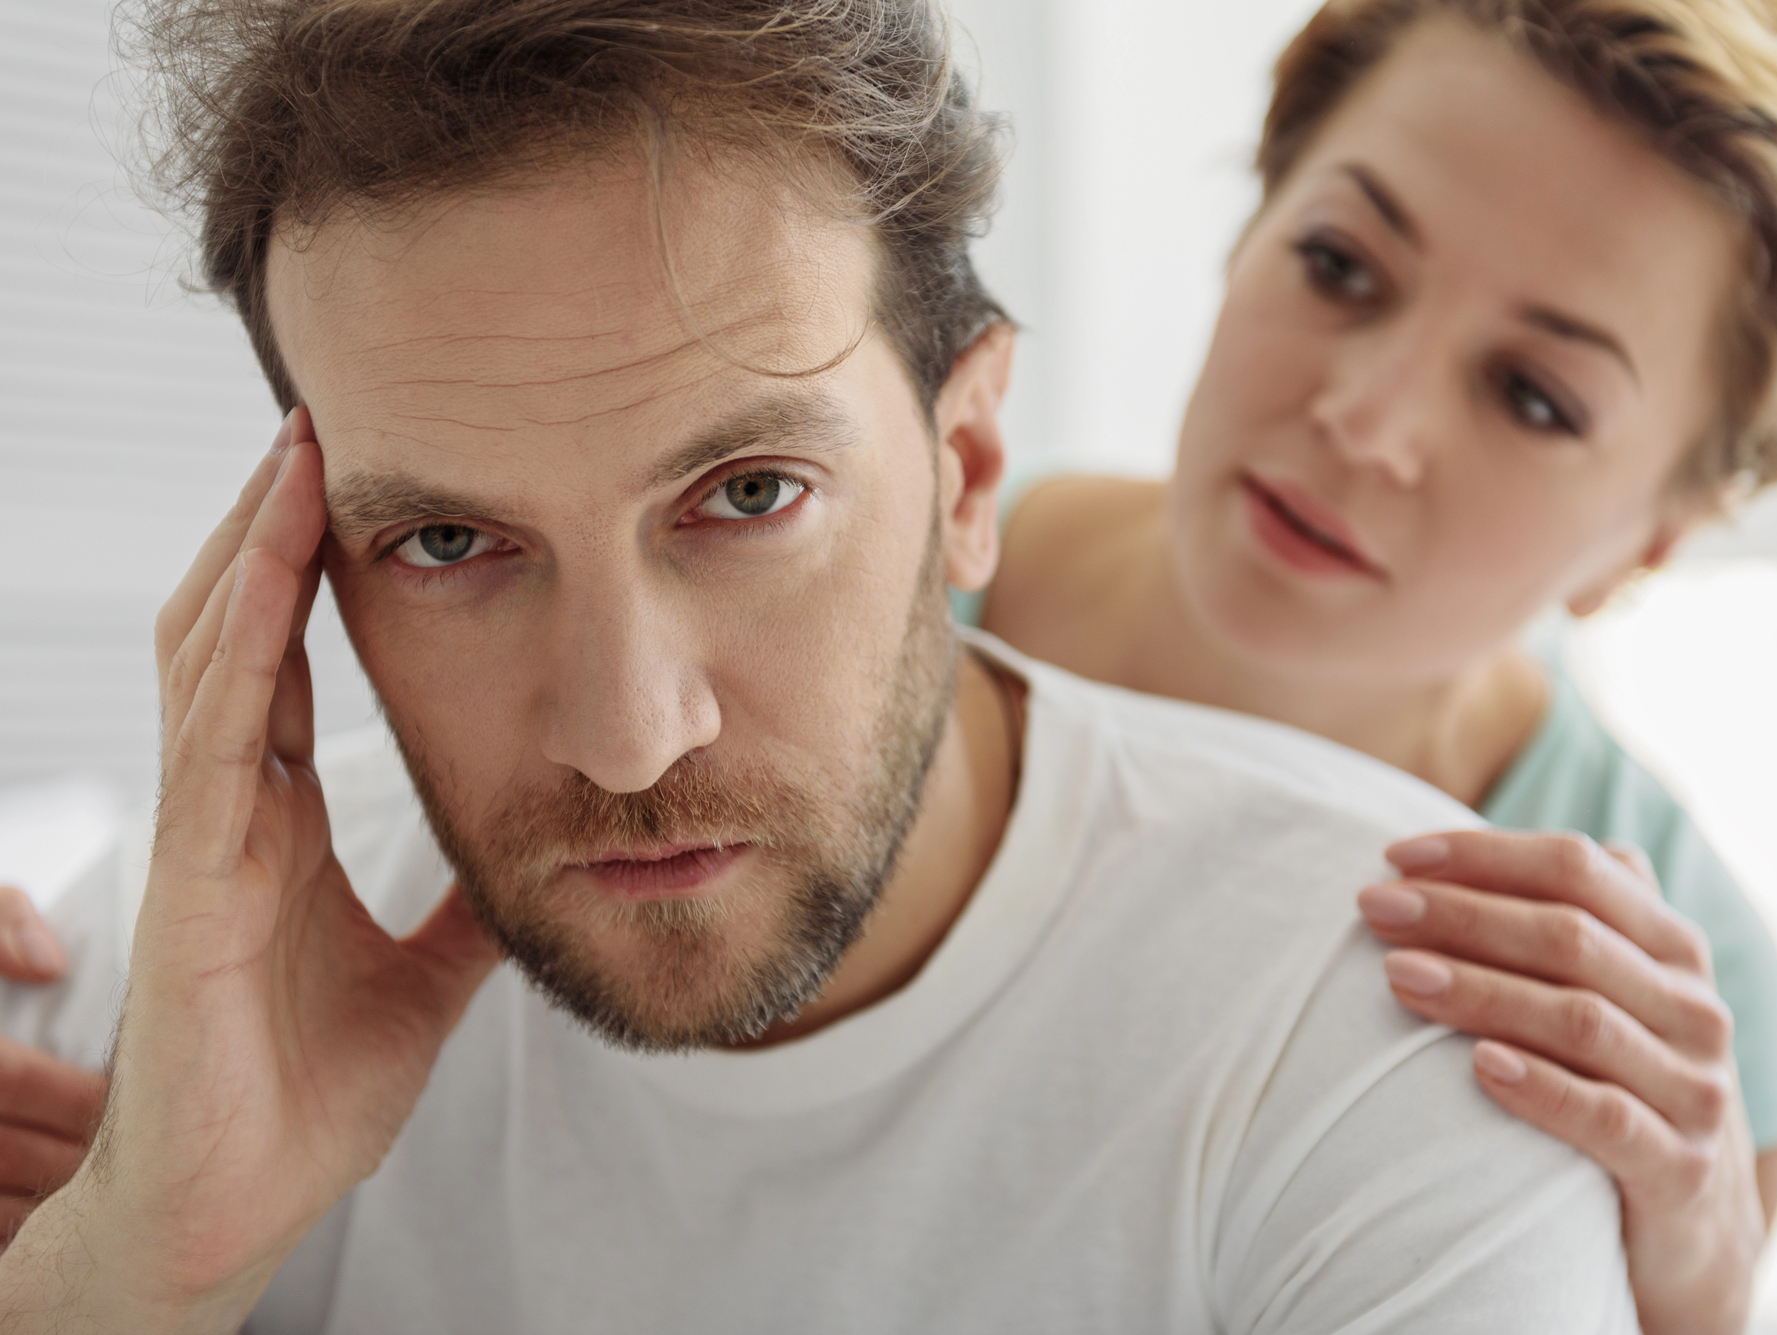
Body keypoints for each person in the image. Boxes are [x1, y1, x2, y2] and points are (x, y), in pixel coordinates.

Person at [0, 1, 1646, 1330]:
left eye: (748, 495)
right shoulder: (136, 1047)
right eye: (447, 544)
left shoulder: (1395, 1027)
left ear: (971, 466)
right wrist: (140, 1282)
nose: (632, 739)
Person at [973, 0, 1777, 1331]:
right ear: (1255, 219)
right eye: (1343, 263)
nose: (1367, 421)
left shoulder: (1665, 1011)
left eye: (1532, 394)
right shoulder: (843, 600)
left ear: (1651, 539)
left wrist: (1690, 1295)